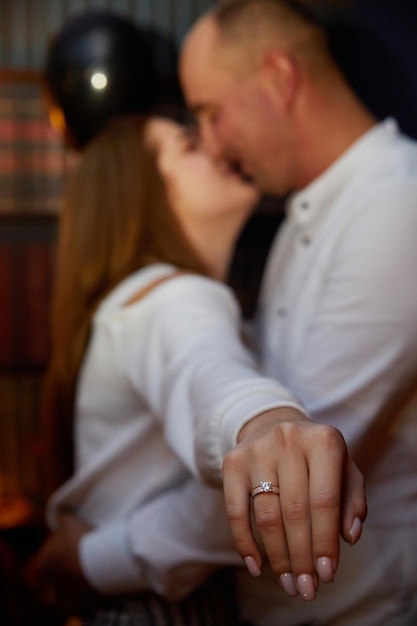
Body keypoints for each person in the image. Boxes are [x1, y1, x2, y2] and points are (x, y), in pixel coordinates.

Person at [30, 113, 365, 625]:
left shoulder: (139, 303)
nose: (215, 144)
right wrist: (265, 422)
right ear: (142, 197)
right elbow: (205, 367)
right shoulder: (173, 296)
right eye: (190, 144)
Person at [178, 0, 417, 624]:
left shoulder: (399, 206)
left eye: (210, 111)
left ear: (281, 80)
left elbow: (291, 483)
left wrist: (95, 557)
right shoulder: (302, 215)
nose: (209, 143)